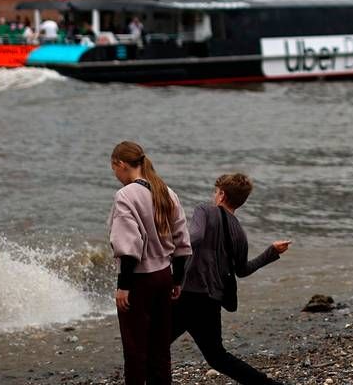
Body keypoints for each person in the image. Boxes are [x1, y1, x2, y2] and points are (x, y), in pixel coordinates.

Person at [172, 173, 291, 385]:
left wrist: (167, 248)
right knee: (218, 358)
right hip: (211, 301)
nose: (213, 195)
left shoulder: (204, 211)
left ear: (221, 195)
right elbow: (243, 270)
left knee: (153, 345)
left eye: (215, 191)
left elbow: (195, 238)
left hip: (187, 294)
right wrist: (271, 252)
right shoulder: (239, 232)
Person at [108, 141, 192, 385]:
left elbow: (129, 246)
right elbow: (182, 242)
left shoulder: (125, 195)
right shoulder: (166, 191)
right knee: (159, 346)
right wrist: (178, 279)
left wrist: (123, 286)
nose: (115, 175)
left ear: (121, 164)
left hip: (139, 280)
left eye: (114, 169)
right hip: (164, 275)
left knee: (135, 349)